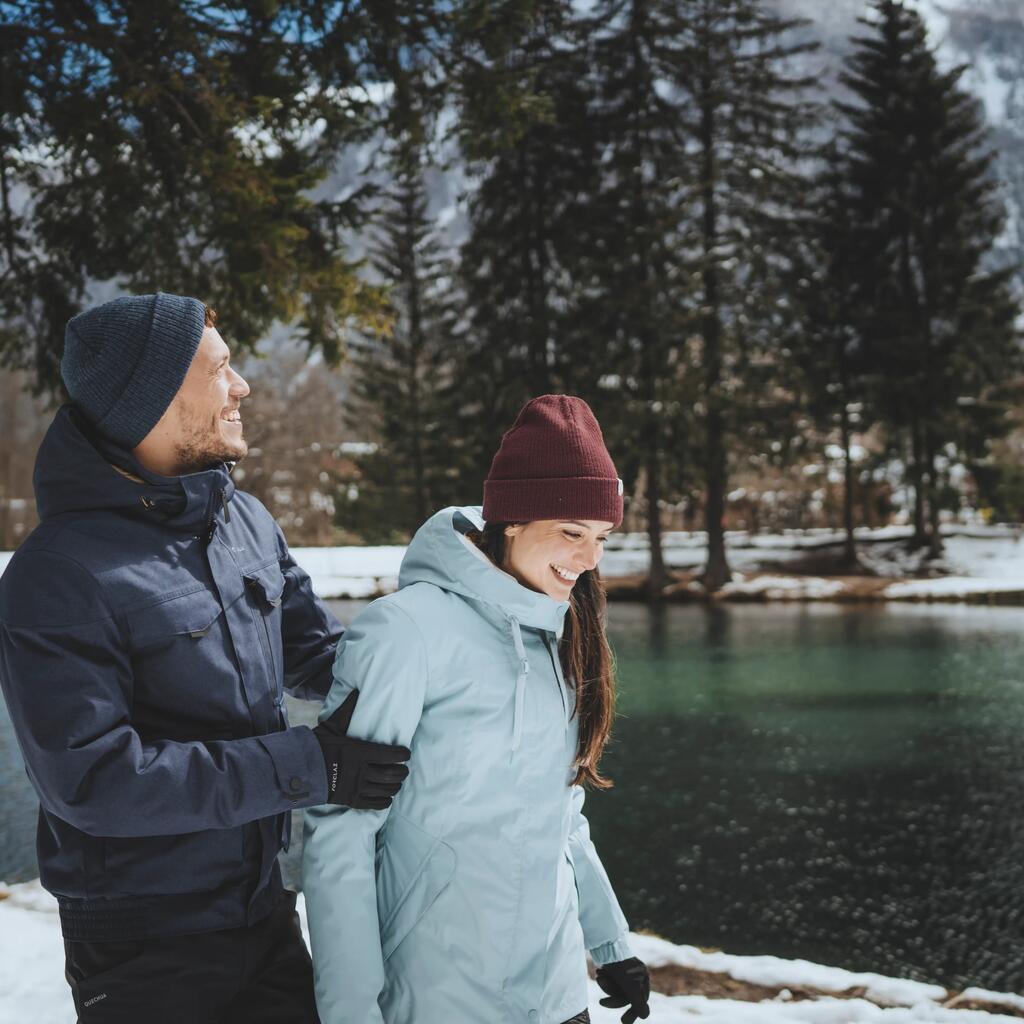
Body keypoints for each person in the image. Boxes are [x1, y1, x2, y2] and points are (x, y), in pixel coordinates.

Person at [0, 293, 410, 1023]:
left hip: (264, 910)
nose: (242, 386)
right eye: (220, 369)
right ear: (151, 397)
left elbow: (318, 653)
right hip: (145, 946)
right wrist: (312, 767)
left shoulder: (243, 521)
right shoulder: (56, 575)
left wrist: (437, 666)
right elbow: (94, 782)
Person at [303, 394, 651, 1024]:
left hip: (557, 997)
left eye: (601, 537)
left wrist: (611, 943)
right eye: (572, 532)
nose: (591, 558)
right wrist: (350, 1012)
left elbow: (562, 813)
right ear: (511, 520)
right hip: (439, 998)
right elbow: (340, 837)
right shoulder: (404, 632)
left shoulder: (560, 632)